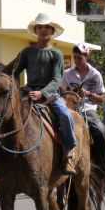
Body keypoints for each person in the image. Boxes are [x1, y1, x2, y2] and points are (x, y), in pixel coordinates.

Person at [11, 12, 77, 175]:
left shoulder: (56, 54)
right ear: (36, 30)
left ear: (52, 31)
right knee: (5, 111)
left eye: (46, 27)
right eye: (40, 27)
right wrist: (14, 87)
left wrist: (41, 93)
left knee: (65, 115)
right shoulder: (27, 52)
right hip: (28, 90)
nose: (43, 30)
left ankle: (69, 153)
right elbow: (14, 72)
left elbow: (56, 79)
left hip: (51, 94)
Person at [61, 43, 105, 168]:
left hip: (88, 109)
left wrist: (88, 94)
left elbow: (103, 99)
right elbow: (61, 92)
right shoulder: (67, 74)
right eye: (75, 57)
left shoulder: (95, 75)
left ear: (86, 56)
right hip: (70, 109)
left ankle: (104, 164)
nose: (77, 60)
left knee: (100, 130)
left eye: (80, 58)